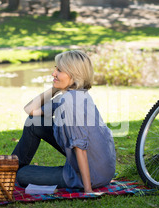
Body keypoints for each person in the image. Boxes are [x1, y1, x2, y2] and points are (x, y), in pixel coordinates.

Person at [12, 50, 116, 193]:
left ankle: (11, 171)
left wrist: (88, 189)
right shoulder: (73, 95)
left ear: (74, 75)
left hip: (92, 174)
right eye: (56, 68)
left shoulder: (69, 102)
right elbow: (30, 110)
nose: (53, 73)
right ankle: (9, 168)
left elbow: (80, 146)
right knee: (34, 121)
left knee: (22, 175)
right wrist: (55, 87)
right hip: (103, 168)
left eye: (59, 70)